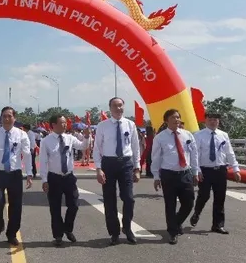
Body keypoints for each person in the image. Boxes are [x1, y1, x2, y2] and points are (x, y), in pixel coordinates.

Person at [92, 97, 141, 245]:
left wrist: (137, 167)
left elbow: (135, 147)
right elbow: (97, 148)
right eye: (115, 106)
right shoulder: (102, 125)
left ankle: (127, 227)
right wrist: (99, 169)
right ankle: (114, 232)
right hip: (109, 163)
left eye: (120, 106)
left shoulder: (130, 124)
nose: (118, 108)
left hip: (126, 163)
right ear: (110, 108)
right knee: (109, 199)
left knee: (129, 198)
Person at [0, 107, 33, 246]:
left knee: (16, 206)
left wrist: (29, 173)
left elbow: (27, 155)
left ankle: (12, 234)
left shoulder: (21, 134)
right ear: (1, 118)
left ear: (14, 118)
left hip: (15, 174)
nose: (7, 119)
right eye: (4, 116)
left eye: (9, 116)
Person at [39, 115, 91, 246]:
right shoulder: (46, 141)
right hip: (54, 177)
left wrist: (86, 136)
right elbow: (43, 162)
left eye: (65, 123)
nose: (64, 125)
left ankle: (68, 229)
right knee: (55, 208)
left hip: (68, 177)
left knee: (74, 204)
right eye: (61, 123)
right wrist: (44, 180)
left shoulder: (70, 138)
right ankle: (58, 235)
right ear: (53, 125)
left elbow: (83, 146)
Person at [151, 109, 199, 245]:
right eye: (173, 117)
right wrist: (156, 176)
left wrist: (195, 172)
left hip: (185, 173)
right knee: (170, 205)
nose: (176, 120)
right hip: (168, 175)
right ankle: (172, 232)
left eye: (178, 117)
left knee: (189, 202)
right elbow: (156, 158)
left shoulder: (187, 135)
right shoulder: (160, 137)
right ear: (166, 120)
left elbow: (194, 155)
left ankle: (176, 223)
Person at [190, 112, 241, 234]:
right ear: (205, 121)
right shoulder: (198, 135)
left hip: (220, 169)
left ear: (218, 122)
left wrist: (236, 169)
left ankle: (218, 225)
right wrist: (197, 170)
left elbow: (229, 153)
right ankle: (197, 212)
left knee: (220, 197)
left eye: (215, 120)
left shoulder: (223, 135)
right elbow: (194, 154)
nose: (213, 122)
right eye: (210, 119)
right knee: (204, 195)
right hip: (205, 170)